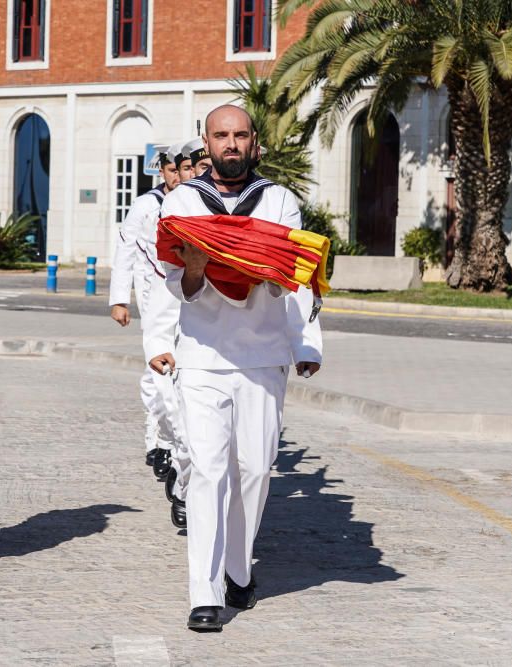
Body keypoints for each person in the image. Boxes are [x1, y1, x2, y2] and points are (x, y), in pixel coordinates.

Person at [146, 105, 322, 632]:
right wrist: (192, 277)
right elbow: (169, 281)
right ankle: (204, 592)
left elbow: (297, 278)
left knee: (255, 469)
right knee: (206, 470)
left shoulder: (280, 201)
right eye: (221, 135)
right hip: (202, 356)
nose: (231, 144)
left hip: (263, 356)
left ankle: (238, 568)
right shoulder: (180, 203)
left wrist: (305, 343)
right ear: (207, 143)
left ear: (255, 144)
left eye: (240, 135)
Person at [108, 144, 182, 480]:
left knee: (179, 371)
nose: (177, 177)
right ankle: (158, 440)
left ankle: (170, 438)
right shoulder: (145, 206)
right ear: (162, 172)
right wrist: (120, 299)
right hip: (154, 297)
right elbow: (125, 250)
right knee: (158, 372)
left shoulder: (194, 201)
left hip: (185, 298)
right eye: (171, 171)